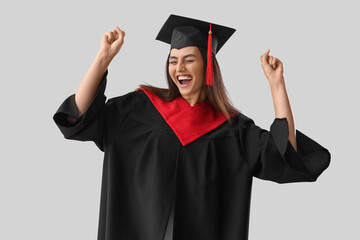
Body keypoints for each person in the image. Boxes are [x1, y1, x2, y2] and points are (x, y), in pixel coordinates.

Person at [53, 14, 331, 240]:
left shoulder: (233, 130)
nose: (179, 68)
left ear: (208, 65)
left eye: (189, 59)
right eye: (173, 60)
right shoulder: (138, 109)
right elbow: (78, 116)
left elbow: (286, 154)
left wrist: (277, 85)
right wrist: (103, 58)